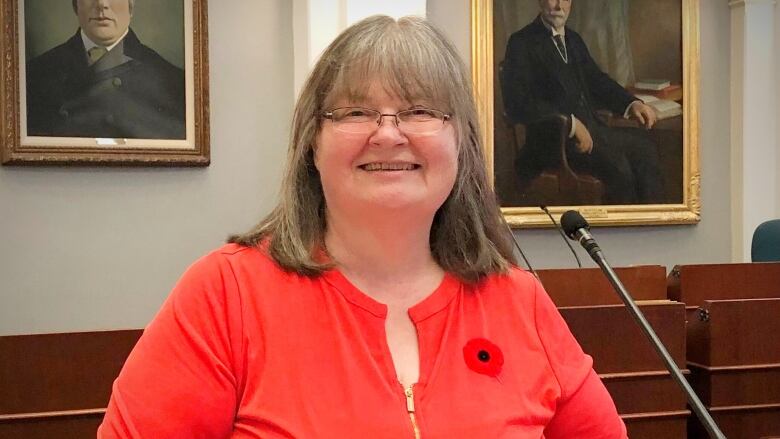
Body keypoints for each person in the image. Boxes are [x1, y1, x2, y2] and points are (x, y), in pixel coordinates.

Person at [98, 15, 627, 438]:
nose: (387, 134)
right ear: (312, 142)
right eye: (354, 112)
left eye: (420, 110)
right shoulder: (225, 295)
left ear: (461, 141)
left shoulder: (520, 300)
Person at [502, 0, 664, 205]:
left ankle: (651, 227)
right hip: (552, 142)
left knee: (644, 149)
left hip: (593, 131)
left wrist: (632, 103)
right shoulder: (521, 43)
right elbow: (517, 103)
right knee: (618, 166)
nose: (559, 6)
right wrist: (570, 124)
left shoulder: (573, 39)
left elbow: (597, 81)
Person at [25, 0, 185, 139]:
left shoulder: (175, 84)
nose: (102, 4)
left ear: (131, 5)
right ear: (75, 4)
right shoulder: (32, 75)